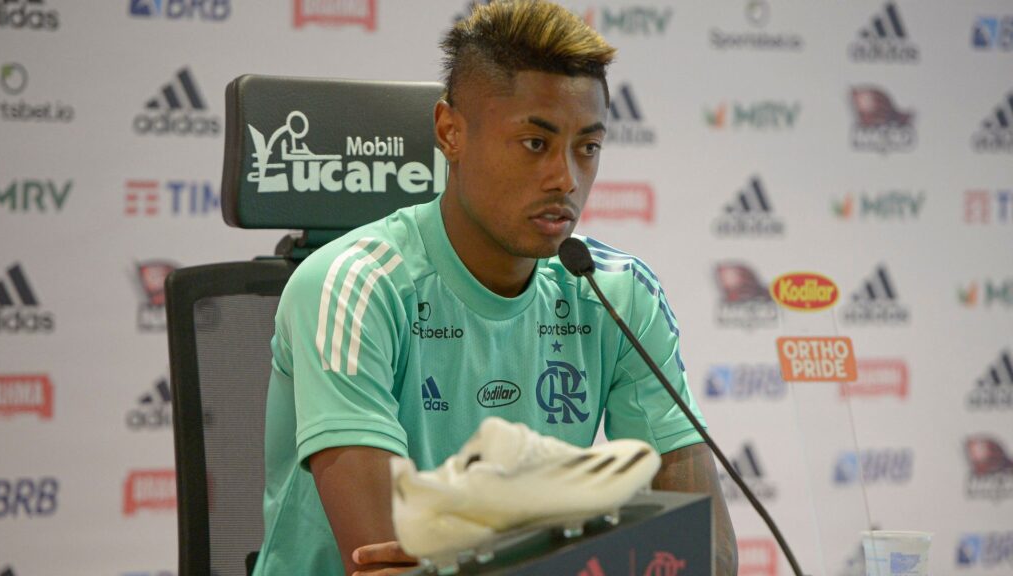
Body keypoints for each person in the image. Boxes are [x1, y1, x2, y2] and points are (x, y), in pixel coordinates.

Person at [252, 1, 737, 575]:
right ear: (450, 132)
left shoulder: (617, 292)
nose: (566, 178)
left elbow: (704, 552)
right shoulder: (351, 286)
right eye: (535, 143)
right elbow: (378, 561)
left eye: (588, 147)